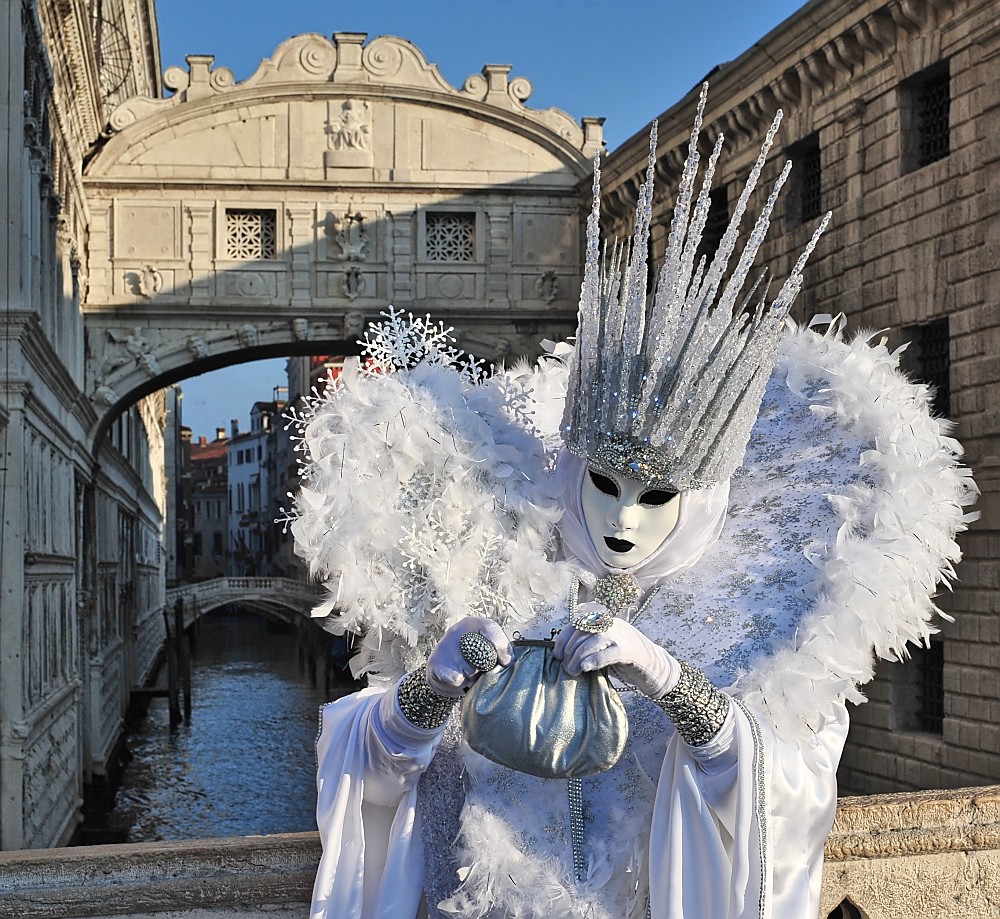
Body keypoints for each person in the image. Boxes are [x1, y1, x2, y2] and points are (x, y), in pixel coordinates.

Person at [289, 86, 975, 919]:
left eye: (660, 499)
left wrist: (674, 684)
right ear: (572, 471)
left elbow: (789, 793)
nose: (623, 521)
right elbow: (374, 765)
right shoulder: (488, 552)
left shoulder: (761, 614)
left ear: (707, 501)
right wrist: (433, 685)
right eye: (604, 487)